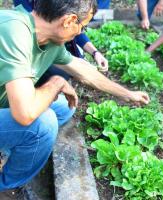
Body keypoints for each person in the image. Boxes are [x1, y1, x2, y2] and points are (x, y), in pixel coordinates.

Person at [0, 0, 149, 197]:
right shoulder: (14, 30)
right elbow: (25, 114)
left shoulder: (49, 39)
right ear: (69, 20)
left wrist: (128, 95)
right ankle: (5, 183)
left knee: (64, 107)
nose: (80, 33)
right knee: (43, 125)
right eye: (83, 25)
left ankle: (10, 146)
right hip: (18, 110)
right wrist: (55, 83)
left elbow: (85, 72)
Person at [13, 0, 109, 87]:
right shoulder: (17, 36)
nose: (80, 31)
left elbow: (73, 27)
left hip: (46, 38)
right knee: (58, 73)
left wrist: (95, 52)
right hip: (34, 43)